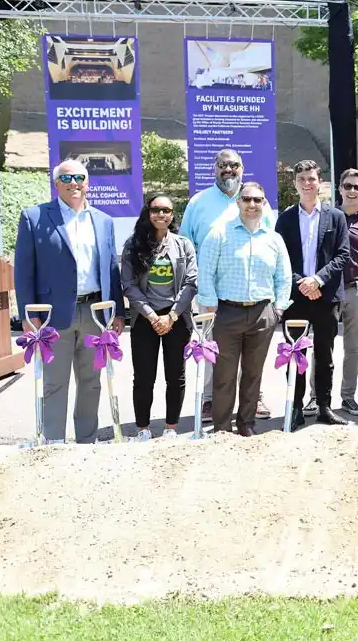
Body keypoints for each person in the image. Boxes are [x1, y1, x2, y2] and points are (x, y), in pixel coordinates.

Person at [13, 159, 125, 443]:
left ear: (87, 183)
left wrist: (118, 312)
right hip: (52, 316)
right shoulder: (35, 217)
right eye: (66, 178)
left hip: (95, 313)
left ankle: (87, 441)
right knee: (55, 382)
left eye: (79, 177)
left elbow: (112, 269)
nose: (74, 183)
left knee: (91, 382)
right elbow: (24, 270)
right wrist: (28, 314)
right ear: (56, 184)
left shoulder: (103, 221)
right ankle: (53, 443)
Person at [179, 148, 276, 421]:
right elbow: (186, 245)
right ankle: (211, 400)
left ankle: (253, 399)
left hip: (252, 289)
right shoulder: (198, 203)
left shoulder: (258, 202)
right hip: (209, 291)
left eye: (234, 165)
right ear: (214, 168)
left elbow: (271, 241)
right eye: (223, 165)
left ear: (242, 169)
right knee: (213, 346)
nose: (229, 170)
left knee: (252, 347)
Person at [197, 183, 292, 436]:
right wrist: (210, 306)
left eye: (257, 200)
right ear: (238, 202)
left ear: (264, 204)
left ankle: (247, 425)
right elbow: (205, 272)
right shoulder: (219, 234)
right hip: (227, 313)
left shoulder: (274, 239)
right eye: (247, 199)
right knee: (224, 376)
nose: (252, 205)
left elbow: (284, 277)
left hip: (262, 314)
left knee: (253, 374)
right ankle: (222, 428)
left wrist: (279, 309)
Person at [275, 167, 352, 428]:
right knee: (295, 354)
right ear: (295, 184)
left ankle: (324, 406)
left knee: (325, 354)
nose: (306, 184)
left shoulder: (336, 217)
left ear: (320, 183)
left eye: (311, 179)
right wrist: (302, 282)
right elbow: (280, 259)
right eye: (301, 180)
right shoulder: (285, 220)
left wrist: (317, 280)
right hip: (296, 297)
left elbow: (342, 255)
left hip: (326, 295)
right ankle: (295, 408)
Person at [121, 194, 198, 440]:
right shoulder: (133, 245)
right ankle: (142, 429)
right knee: (144, 376)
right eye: (156, 210)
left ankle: (171, 428)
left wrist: (172, 315)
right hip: (146, 319)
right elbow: (128, 285)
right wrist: (153, 316)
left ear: (173, 214)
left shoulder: (183, 244)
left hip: (176, 319)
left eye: (166, 210)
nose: (161, 214)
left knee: (175, 375)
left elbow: (191, 282)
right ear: (148, 212)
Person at [303, 165, 358, 418]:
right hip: (329, 291)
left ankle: (348, 396)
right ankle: (316, 397)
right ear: (339, 188)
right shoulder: (327, 217)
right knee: (322, 346)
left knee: (353, 348)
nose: (352, 191)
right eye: (348, 186)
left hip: (357, 289)